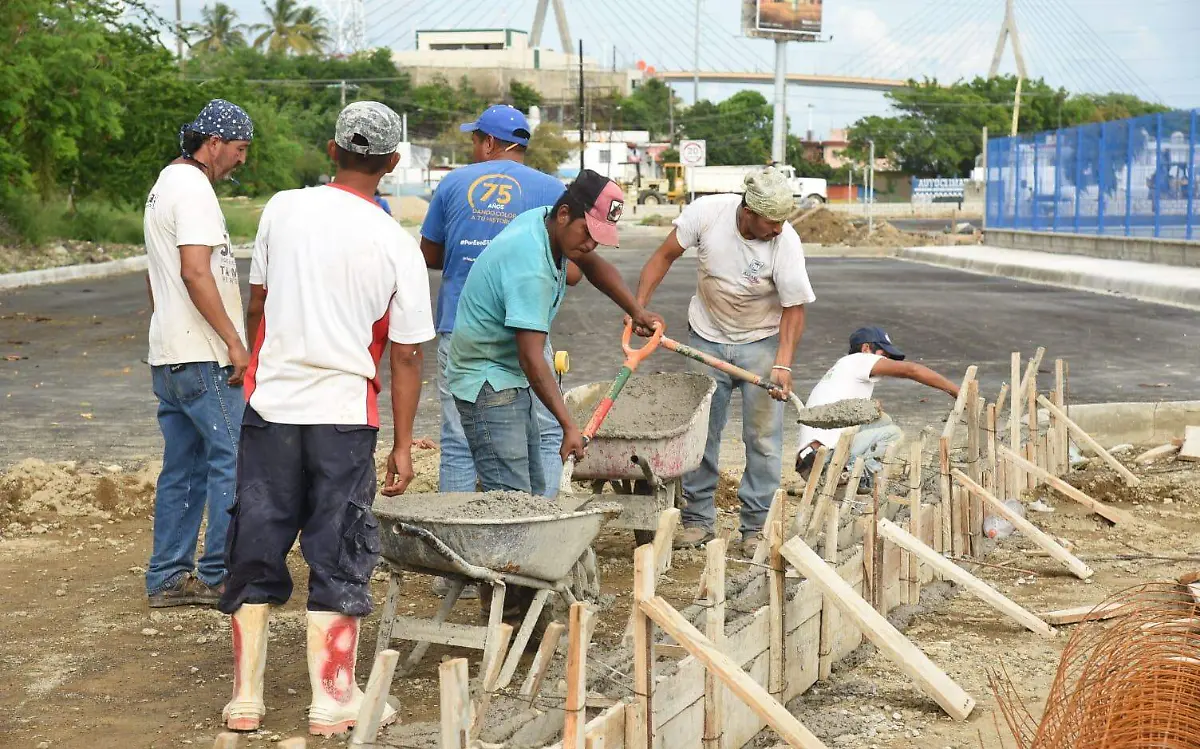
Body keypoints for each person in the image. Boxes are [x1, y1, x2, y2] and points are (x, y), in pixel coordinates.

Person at [217, 101, 435, 736]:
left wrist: (256, 368)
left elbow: (259, 299)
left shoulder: (283, 208)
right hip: (344, 416)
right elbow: (408, 355)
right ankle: (332, 698)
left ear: (333, 150)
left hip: (272, 408)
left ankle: (246, 700)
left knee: (256, 539)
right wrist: (400, 444)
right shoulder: (397, 246)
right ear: (392, 165)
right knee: (337, 548)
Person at [635, 167, 815, 559]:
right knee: (701, 436)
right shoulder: (708, 215)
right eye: (772, 222)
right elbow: (664, 256)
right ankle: (698, 521)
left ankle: (755, 527)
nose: (779, 229)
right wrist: (638, 308)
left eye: (784, 222)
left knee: (764, 440)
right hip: (706, 340)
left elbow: (794, 309)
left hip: (762, 343)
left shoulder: (786, 244)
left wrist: (782, 365)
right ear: (748, 211)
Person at [448, 169, 662, 497]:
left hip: (508, 374)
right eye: (587, 233)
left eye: (598, 238)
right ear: (564, 214)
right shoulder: (531, 267)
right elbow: (532, 357)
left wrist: (636, 310)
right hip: (487, 380)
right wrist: (569, 426)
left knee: (531, 488)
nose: (590, 244)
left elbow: (593, 266)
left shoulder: (546, 222)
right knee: (510, 499)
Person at [420, 104, 580, 500]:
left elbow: (429, 254)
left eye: (475, 140)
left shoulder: (453, 183)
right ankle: (544, 517)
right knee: (543, 429)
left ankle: (456, 532)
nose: (474, 148)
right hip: (525, 327)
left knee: (458, 437)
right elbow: (572, 270)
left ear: (489, 142)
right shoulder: (551, 191)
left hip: (461, 326)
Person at [142, 98, 253, 608]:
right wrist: (233, 340)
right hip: (206, 356)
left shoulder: (165, 184)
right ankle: (217, 574)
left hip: (171, 353)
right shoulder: (195, 191)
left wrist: (169, 321)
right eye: (239, 148)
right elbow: (194, 271)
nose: (242, 158)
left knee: (183, 468)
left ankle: (167, 577)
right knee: (233, 460)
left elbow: (158, 278)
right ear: (213, 144)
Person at [796, 326, 960, 493]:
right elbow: (912, 370)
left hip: (808, 460)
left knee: (882, 420)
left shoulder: (843, 368)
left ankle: (844, 475)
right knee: (893, 434)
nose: (887, 360)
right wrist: (957, 392)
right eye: (884, 355)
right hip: (821, 459)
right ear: (866, 348)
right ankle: (853, 477)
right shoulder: (860, 359)